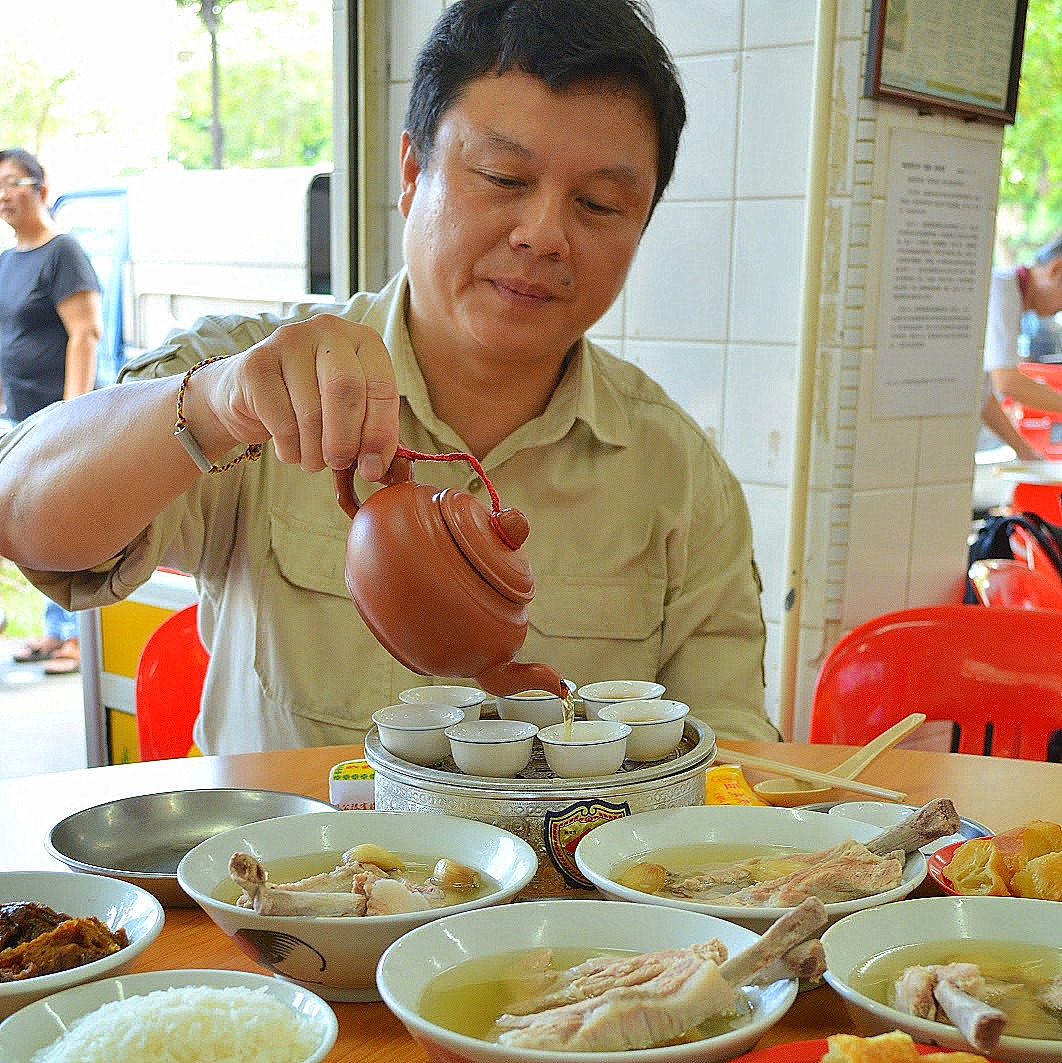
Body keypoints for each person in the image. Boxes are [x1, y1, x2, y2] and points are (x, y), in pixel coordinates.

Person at [0, 0, 779, 752]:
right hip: (288, 848)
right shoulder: (251, 374)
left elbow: (729, 762)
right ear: (411, 172)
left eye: (599, 203)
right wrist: (212, 405)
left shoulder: (678, 478)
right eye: (503, 178)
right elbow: (23, 513)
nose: (544, 235)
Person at [0, 148, 102, 676]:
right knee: (34, 527)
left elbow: (85, 333)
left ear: (41, 188)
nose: (3, 194)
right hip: (20, 417)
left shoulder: (63, 252)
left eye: (12, 182)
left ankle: (82, 640)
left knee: (68, 524)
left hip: (58, 419)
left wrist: (72, 414)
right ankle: (55, 631)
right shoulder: (7, 260)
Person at [980, 232, 1062, 458]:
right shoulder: (1002, 290)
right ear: (1056, 270)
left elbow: (982, 396)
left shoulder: (1011, 296)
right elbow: (1007, 382)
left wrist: (1026, 452)